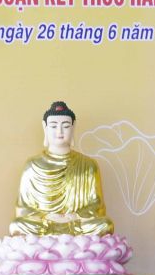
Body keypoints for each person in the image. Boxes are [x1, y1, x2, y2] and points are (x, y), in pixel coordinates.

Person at [10, 100, 114, 237]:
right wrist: (47, 217)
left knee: (105, 225)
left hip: (75, 223)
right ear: (45, 128)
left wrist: (74, 216)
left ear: (73, 127)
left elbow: (97, 206)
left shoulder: (88, 165)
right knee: (17, 225)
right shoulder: (32, 165)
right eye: (53, 126)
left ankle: (53, 240)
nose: (59, 132)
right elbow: (23, 209)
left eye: (65, 126)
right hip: (44, 224)